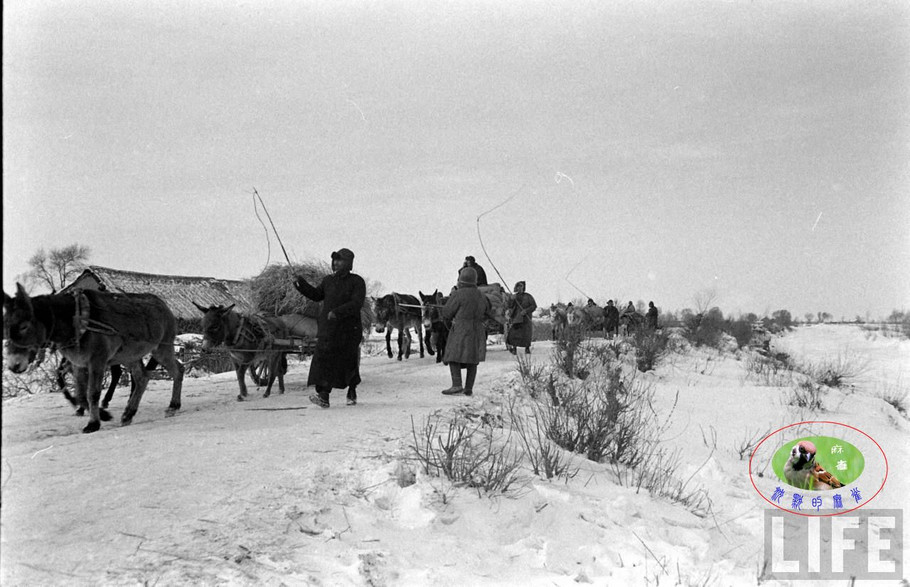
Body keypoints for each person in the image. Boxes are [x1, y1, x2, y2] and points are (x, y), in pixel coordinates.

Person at [293, 248, 366, 408]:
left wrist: (337, 312)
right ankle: (323, 396)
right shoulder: (328, 281)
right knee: (323, 360)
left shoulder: (357, 282)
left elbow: (356, 303)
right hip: (329, 329)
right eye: (334, 260)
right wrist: (301, 284)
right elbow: (316, 295)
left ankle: (351, 390)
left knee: (348, 361)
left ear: (348, 263)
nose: (336, 263)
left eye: (339, 260)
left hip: (349, 330)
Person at [440, 266, 492, 396]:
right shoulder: (482, 295)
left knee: (453, 356)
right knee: (472, 359)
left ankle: (457, 385)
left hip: (461, 329)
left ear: (461, 279)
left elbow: (447, 312)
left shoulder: (458, 294)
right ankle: (469, 388)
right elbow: (488, 310)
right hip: (477, 329)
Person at [505, 281, 537, 355]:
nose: (519, 288)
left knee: (526, 334)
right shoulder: (514, 296)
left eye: (521, 286)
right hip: (516, 318)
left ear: (523, 287)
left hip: (526, 318)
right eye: (518, 287)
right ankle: (514, 348)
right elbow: (510, 306)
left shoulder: (528, 296)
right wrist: (511, 300)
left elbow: (533, 306)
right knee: (514, 334)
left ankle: (527, 348)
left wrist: (526, 311)